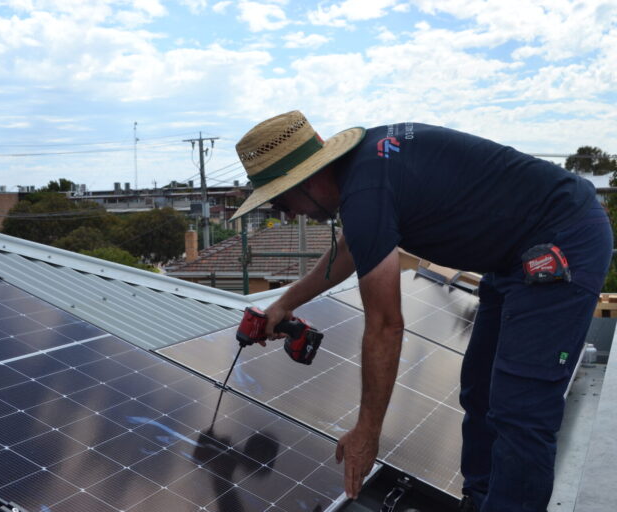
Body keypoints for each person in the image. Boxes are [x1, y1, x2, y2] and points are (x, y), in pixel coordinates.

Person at [228, 111, 612, 511]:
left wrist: (367, 431)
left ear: (305, 180)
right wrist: (284, 304)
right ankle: (480, 501)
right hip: (514, 255)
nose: (286, 214)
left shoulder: (366, 188)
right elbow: (353, 247)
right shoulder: (363, 171)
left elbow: (385, 325)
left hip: (562, 240)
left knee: (522, 411)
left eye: (280, 200)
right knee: (480, 389)